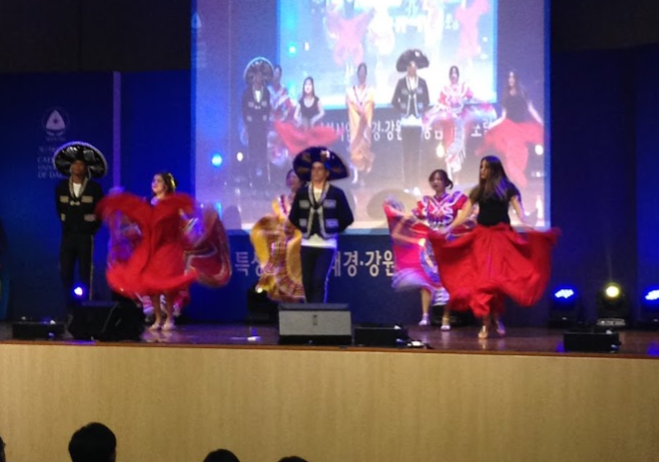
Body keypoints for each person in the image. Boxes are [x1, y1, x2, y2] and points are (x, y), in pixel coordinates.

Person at [430, 156, 558, 338]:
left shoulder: (508, 188)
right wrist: (447, 229)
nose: (482, 171)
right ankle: (485, 322)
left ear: (494, 169)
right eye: (481, 167)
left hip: (501, 239)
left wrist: (528, 224)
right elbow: (464, 214)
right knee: (483, 281)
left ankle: (496, 317)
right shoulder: (478, 190)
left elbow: (520, 211)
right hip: (482, 238)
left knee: (496, 281)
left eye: (486, 167)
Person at [97, 172, 197, 331]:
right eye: (153, 180)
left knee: (166, 284)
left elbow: (186, 224)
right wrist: (116, 202)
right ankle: (157, 318)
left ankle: (169, 318)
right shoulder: (147, 203)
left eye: (159, 181)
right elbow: (133, 219)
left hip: (167, 248)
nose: (154, 183)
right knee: (151, 284)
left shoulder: (172, 204)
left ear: (166, 185)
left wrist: (187, 237)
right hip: (150, 247)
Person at [384, 169, 474, 328]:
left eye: (439, 179)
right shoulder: (426, 202)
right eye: (433, 179)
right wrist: (394, 211)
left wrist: (457, 226)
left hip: (448, 245)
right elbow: (412, 217)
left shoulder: (455, 199)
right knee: (426, 281)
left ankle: (446, 318)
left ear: (446, 182)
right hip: (430, 246)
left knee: (448, 282)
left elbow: (470, 209)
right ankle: (425, 315)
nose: (435, 182)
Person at [288, 147, 354, 303]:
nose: (316, 172)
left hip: (327, 244)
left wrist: (333, 229)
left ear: (327, 173)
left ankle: (317, 312)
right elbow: (293, 216)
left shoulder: (336, 193)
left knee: (319, 279)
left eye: (320, 169)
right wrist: (305, 228)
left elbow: (347, 217)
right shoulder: (302, 193)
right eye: (313, 169)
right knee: (307, 282)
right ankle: (310, 310)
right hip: (307, 243)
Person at [53, 142, 106, 307]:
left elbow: (100, 212)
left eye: (81, 164)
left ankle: (85, 307)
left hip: (85, 237)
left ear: (86, 168)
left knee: (85, 271)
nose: (78, 167)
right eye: (75, 164)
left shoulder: (94, 188)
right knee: (65, 271)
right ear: (70, 167)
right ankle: (70, 308)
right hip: (68, 235)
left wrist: (91, 228)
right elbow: (59, 209)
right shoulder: (61, 187)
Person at [477, 70, 544, 189]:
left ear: (516, 79)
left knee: (521, 154)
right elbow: (503, 116)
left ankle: (517, 181)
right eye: (509, 77)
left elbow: (531, 109)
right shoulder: (506, 95)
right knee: (509, 154)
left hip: (521, 128)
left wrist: (541, 122)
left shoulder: (523, 92)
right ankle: (514, 181)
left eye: (512, 77)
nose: (510, 79)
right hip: (508, 128)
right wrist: (492, 125)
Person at [250, 169, 305, 302]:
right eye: (290, 177)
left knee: (290, 248)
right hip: (283, 236)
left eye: (295, 177)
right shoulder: (280, 200)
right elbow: (277, 219)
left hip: (300, 237)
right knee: (274, 243)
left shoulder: (307, 199)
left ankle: (294, 300)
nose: (292, 179)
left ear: (302, 181)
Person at [391, 49, 430, 190]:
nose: (411, 69)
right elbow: (394, 101)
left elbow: (426, 101)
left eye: (414, 66)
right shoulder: (401, 83)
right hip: (405, 122)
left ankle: (415, 185)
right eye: (409, 66)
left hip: (417, 122)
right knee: (406, 155)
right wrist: (403, 111)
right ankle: (407, 185)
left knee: (416, 154)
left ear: (417, 68)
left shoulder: (422, 83)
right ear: (407, 68)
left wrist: (420, 111)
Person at [274, 77, 342, 157]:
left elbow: (321, 113)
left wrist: (314, 119)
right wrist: (299, 121)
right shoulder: (300, 102)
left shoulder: (315, 101)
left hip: (312, 131)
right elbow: (296, 116)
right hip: (302, 131)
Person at [242, 57, 273, 186]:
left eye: (260, 75)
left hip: (262, 128)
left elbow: (268, 109)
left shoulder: (266, 93)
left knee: (263, 154)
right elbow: (244, 110)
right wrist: (248, 123)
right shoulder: (247, 93)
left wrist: (265, 121)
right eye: (256, 75)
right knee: (252, 154)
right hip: (252, 128)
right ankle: (252, 181)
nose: (258, 78)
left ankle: (265, 182)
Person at [346, 62, 375, 182]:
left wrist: (363, 110)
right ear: (357, 74)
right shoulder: (351, 91)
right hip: (355, 124)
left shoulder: (370, 90)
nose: (362, 74)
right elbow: (349, 103)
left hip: (365, 126)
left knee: (364, 147)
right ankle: (356, 176)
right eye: (360, 72)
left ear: (366, 75)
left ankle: (364, 177)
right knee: (355, 148)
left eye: (364, 72)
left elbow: (370, 104)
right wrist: (356, 108)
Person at [267, 64, 295, 166]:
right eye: (274, 73)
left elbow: (289, 107)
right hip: (270, 126)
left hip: (282, 125)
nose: (276, 76)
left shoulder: (284, 90)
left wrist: (284, 114)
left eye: (278, 74)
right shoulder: (266, 91)